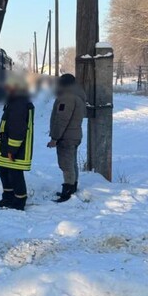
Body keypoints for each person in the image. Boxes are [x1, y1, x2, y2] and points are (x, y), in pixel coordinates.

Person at [0, 74, 35, 211]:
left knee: (15, 174)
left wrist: (12, 149)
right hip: (8, 145)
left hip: (14, 148)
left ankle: (19, 201)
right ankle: (8, 197)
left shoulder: (18, 103)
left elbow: (17, 128)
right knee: (4, 171)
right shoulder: (16, 100)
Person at [47, 73, 87, 202]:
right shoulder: (77, 95)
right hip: (75, 134)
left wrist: (55, 138)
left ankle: (68, 191)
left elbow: (62, 119)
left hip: (66, 136)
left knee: (66, 164)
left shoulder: (67, 97)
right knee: (72, 162)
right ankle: (73, 186)